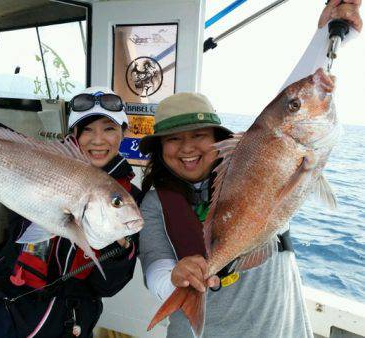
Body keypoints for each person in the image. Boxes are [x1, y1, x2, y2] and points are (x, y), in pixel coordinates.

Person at [138, 4, 362, 337]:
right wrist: (176, 276)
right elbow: (155, 264)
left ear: (217, 140)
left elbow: (286, 105)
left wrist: (326, 35)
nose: (187, 148)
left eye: (198, 135)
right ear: (160, 150)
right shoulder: (155, 203)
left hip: (280, 327)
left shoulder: (253, 164)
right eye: (173, 140)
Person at [0, 86, 141, 338]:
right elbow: (19, 151)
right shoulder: (45, 157)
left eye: (109, 129)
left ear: (124, 132)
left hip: (68, 323)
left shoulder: (130, 201)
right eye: (87, 130)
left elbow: (108, 286)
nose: (98, 140)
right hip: (1, 308)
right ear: (75, 135)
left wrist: (119, 253)